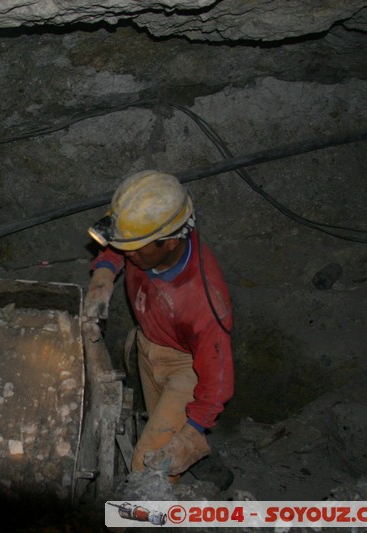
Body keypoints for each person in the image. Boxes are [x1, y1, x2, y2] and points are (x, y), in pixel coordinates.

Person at [83, 170, 234, 483]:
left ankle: (153, 512)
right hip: (148, 345)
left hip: (186, 368)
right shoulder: (149, 235)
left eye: (135, 248)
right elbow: (120, 243)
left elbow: (217, 382)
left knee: (149, 464)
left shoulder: (204, 302)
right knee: (161, 423)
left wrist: (190, 436)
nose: (127, 253)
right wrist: (104, 275)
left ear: (169, 243)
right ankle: (201, 461)